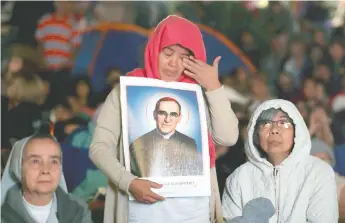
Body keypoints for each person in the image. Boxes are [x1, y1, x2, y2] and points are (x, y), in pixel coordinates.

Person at [89, 15, 239, 223]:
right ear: (154, 48)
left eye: (184, 57)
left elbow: (228, 138)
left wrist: (214, 88)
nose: (173, 63)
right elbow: (99, 147)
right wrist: (129, 182)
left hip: (195, 212)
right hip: (140, 213)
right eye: (167, 53)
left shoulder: (201, 93)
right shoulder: (126, 90)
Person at [222, 99, 338, 222]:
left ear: (296, 131)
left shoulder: (318, 172)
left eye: (283, 123)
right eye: (266, 123)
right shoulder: (238, 178)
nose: (274, 130)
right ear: (255, 134)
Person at [1, 133, 93, 223]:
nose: (45, 170)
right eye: (35, 161)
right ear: (18, 167)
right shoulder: (3, 214)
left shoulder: (78, 209)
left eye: (53, 161)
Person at [130, 97, 201, 178]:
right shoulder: (137, 143)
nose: (167, 120)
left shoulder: (190, 143)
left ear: (179, 118)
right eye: (162, 113)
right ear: (154, 114)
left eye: (173, 114)